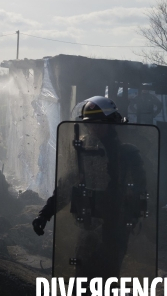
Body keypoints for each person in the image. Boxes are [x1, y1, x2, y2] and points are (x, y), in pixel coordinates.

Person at [32, 96, 148, 280]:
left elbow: (140, 190)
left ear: (112, 123)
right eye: (91, 124)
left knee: (109, 277)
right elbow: (66, 186)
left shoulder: (128, 154)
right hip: (88, 224)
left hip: (115, 225)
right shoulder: (81, 150)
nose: (95, 128)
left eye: (100, 123)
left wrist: (135, 217)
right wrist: (45, 214)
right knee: (82, 277)